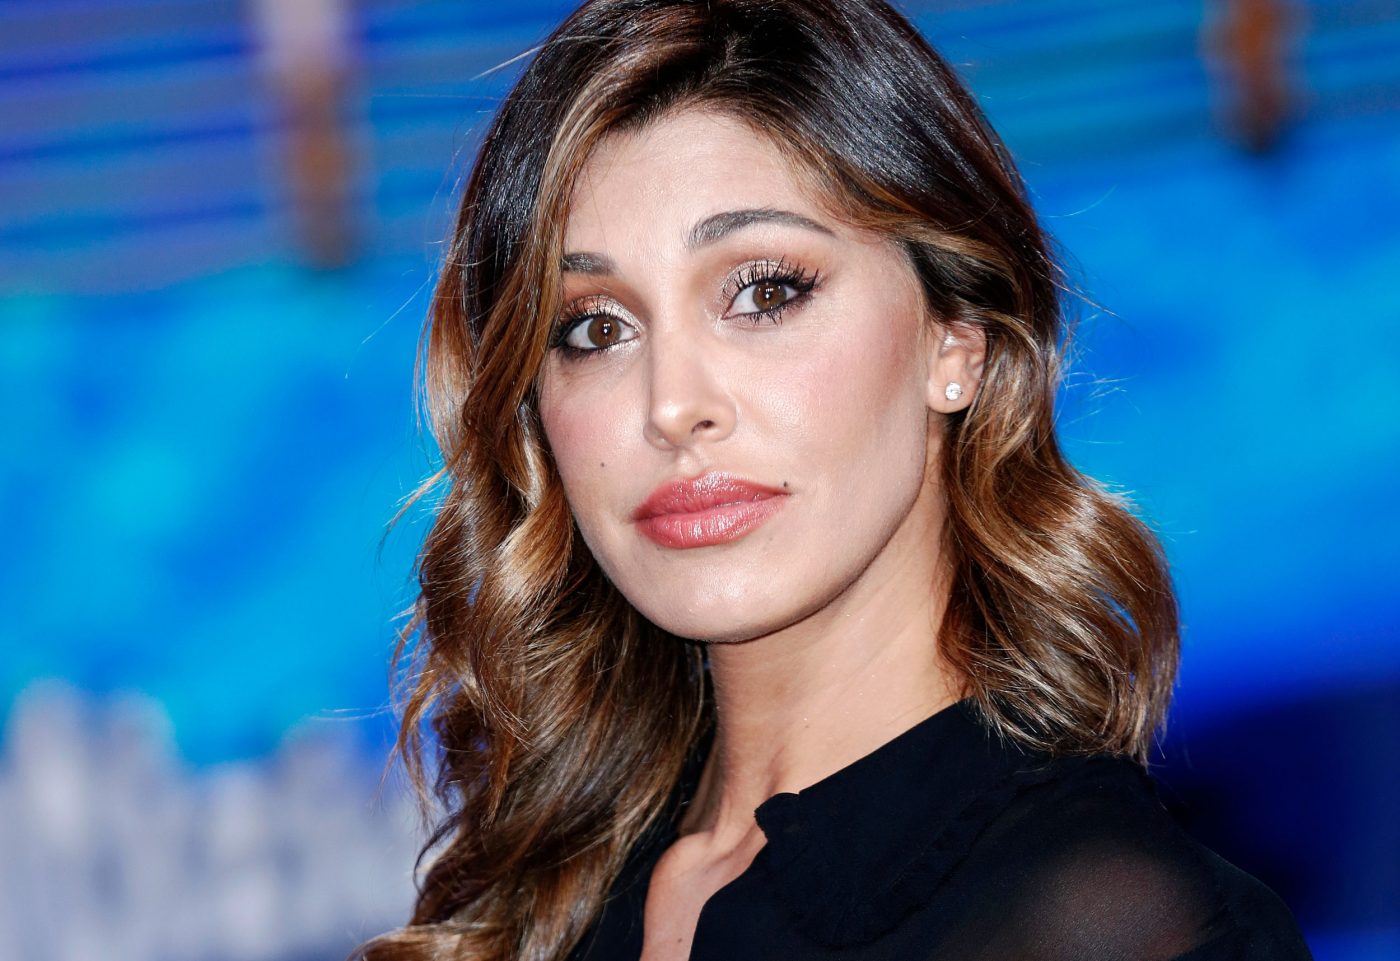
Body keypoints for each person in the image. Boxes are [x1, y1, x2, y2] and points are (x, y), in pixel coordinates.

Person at [357, 1, 1315, 959]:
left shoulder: (1116, 924)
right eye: (597, 327)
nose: (672, 405)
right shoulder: (543, 894)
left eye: (764, 291)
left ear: (956, 341)